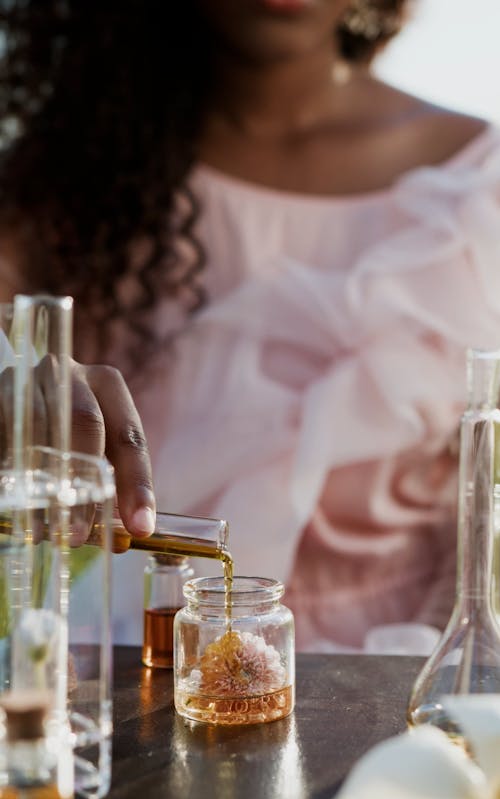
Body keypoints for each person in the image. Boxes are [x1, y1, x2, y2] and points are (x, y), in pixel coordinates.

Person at [0, 0, 498, 650]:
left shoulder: (477, 186)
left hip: (409, 668)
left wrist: (430, 681)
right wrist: (20, 383)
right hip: (160, 665)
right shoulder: (73, 179)